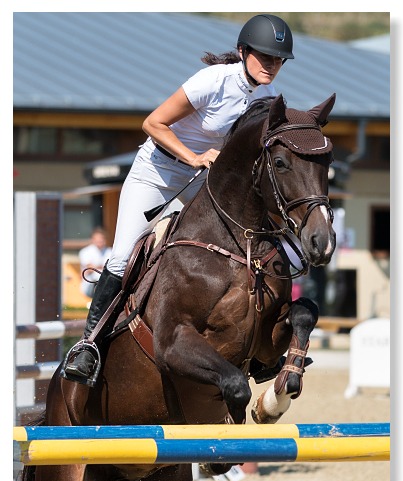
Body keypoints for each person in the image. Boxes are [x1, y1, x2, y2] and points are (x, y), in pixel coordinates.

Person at [62, 14, 294, 386]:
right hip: (158, 172)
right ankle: (88, 346)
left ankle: (260, 349)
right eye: (265, 56)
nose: (272, 65)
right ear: (242, 51)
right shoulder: (212, 81)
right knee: (123, 256)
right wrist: (194, 157)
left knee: (241, 251)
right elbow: (153, 123)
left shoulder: (267, 99)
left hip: (204, 179)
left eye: (278, 59)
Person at [79, 227, 112, 301]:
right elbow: (89, 268)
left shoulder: (110, 251)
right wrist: (100, 267)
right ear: (92, 240)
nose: (99, 241)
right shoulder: (85, 251)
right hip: (89, 284)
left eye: (101, 239)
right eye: (97, 239)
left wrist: (96, 267)